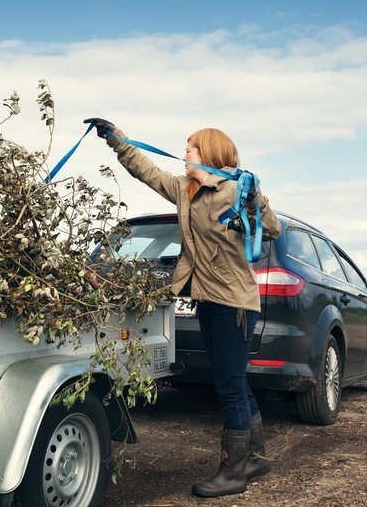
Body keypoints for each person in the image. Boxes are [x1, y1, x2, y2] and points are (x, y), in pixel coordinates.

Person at [84, 117, 281, 498]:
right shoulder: (185, 190)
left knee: (228, 385)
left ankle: (234, 470)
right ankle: (255, 457)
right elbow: (147, 170)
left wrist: (256, 197)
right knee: (235, 379)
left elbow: (270, 228)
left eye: (190, 148)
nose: (184, 154)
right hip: (208, 299)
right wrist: (116, 139)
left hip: (234, 303)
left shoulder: (236, 189)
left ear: (208, 153)